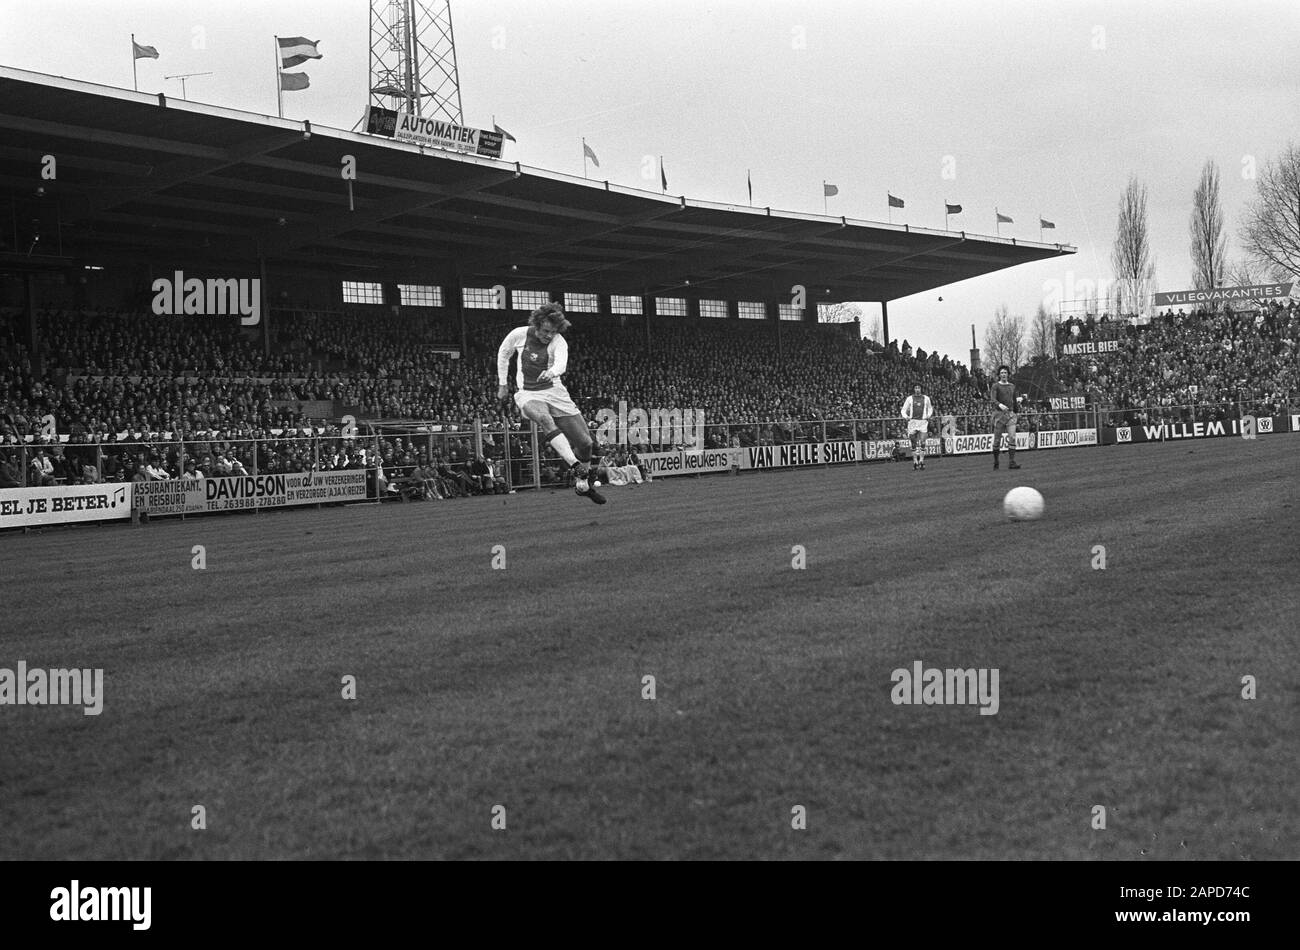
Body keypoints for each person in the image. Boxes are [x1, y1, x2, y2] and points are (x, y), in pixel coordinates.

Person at [496, 302, 605, 504]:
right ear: (536, 324)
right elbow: (504, 353)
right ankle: (574, 466)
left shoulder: (559, 341)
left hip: (555, 392)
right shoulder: (519, 334)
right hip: (528, 394)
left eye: (553, 332)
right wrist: (503, 383)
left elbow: (561, 363)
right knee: (545, 419)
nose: (548, 335)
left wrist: (552, 372)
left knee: (586, 443)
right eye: (546, 331)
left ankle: (583, 484)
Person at [989, 365, 1022, 470]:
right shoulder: (995, 386)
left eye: (1005, 373)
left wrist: (1016, 411)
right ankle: (996, 461)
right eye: (1002, 373)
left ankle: (1011, 462)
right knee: (997, 440)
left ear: (1008, 374)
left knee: (1012, 437)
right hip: (999, 415)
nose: (1003, 374)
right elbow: (993, 399)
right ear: (999, 375)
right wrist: (1000, 405)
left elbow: (1014, 400)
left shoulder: (1012, 386)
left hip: (1011, 415)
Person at [899, 383, 934, 471]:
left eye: (919, 388)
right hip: (912, 423)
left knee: (922, 441)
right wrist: (906, 417)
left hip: (923, 422)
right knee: (913, 443)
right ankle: (915, 462)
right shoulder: (909, 399)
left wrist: (928, 415)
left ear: (921, 389)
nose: (917, 389)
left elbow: (930, 408)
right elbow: (903, 410)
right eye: (916, 388)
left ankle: (921, 461)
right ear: (914, 389)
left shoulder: (926, 398)